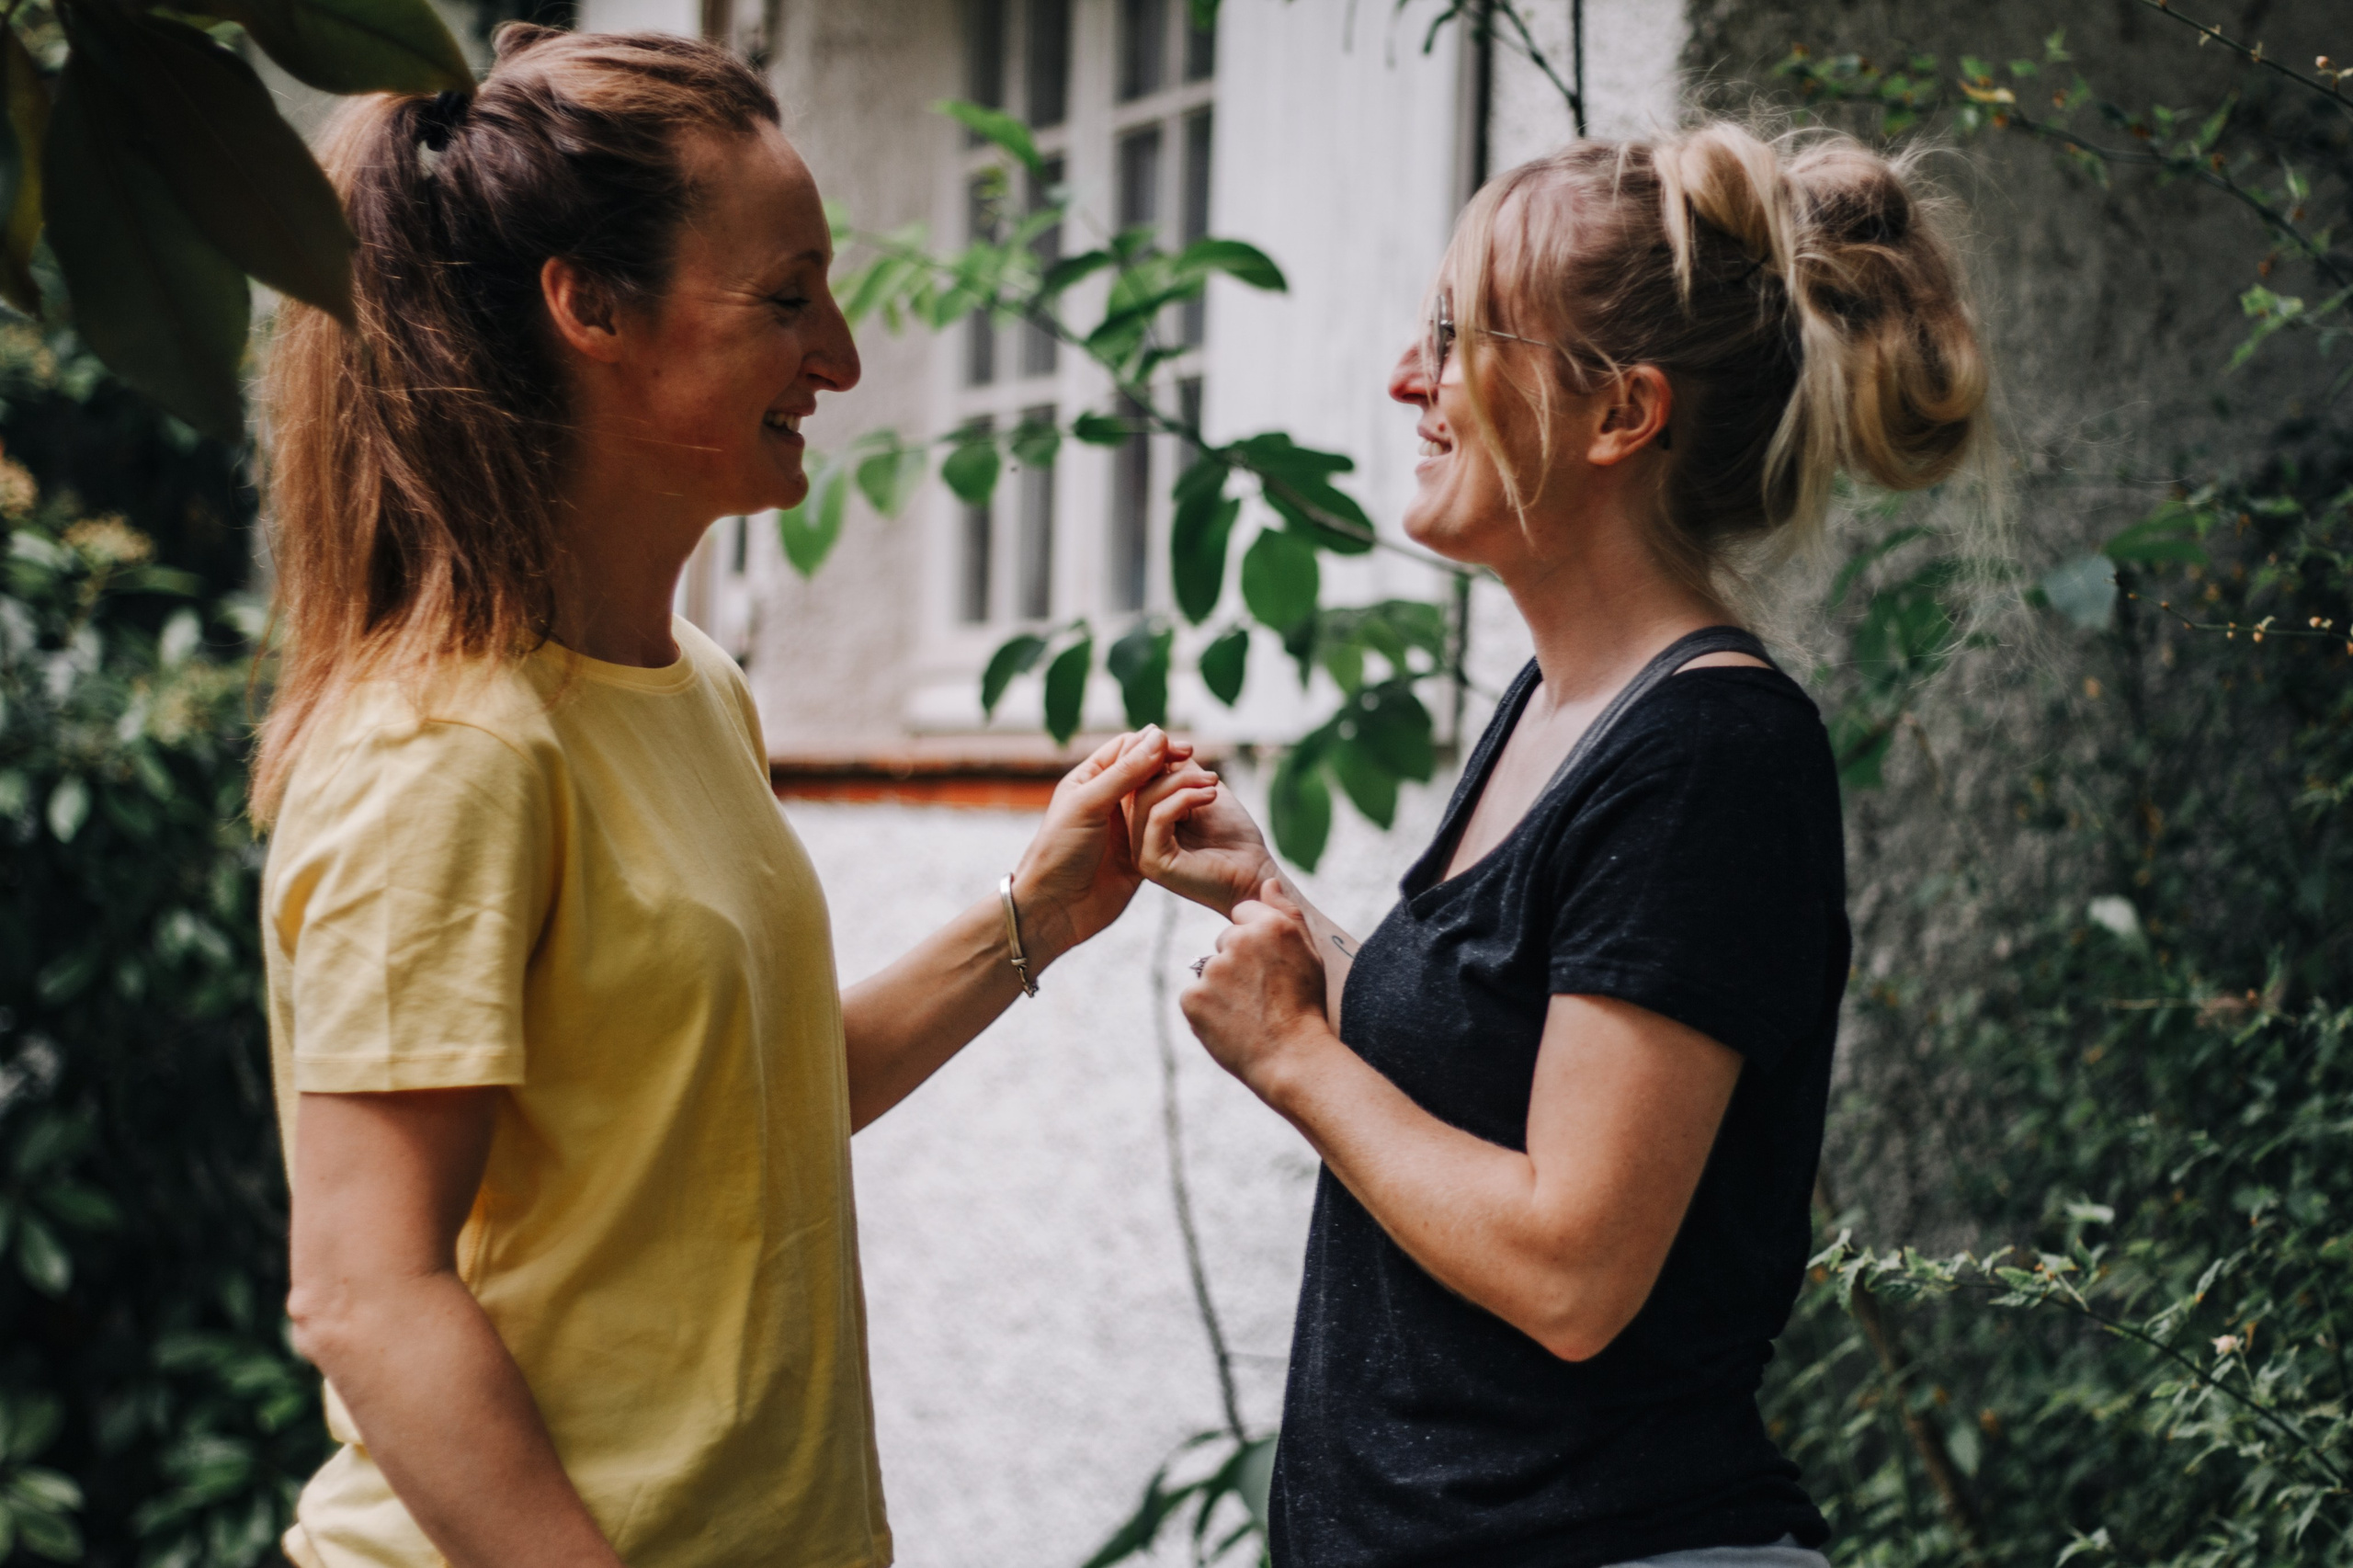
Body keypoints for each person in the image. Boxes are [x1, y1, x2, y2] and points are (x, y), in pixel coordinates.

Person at [252, 28, 1181, 1567]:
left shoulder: (694, 686)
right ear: (591, 308)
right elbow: (364, 1291)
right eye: (786, 297)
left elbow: (736, 1099)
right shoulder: (448, 751)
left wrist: (1039, 915)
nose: (841, 356)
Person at [1131, 124, 1987, 1567]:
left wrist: (1291, 1057)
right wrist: (1275, 901)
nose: (1411, 379)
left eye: (1463, 338)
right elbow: (1488, 1059)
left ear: (1619, 416)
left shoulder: (1710, 756)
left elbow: (1572, 1263)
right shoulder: (1568, 708)